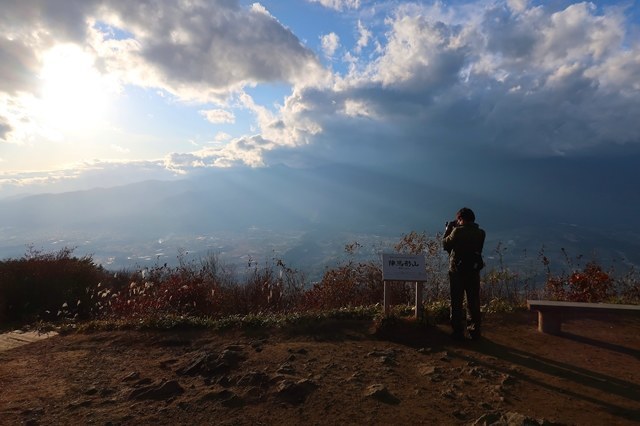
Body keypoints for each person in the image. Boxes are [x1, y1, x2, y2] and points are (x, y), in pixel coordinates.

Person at [442, 207, 486, 340]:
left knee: (456, 301)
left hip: (457, 271)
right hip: (473, 271)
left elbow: (445, 244)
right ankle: (474, 331)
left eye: (458, 219)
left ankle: (457, 332)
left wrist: (448, 230)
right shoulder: (481, 233)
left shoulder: (457, 232)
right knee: (473, 301)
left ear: (460, 219)